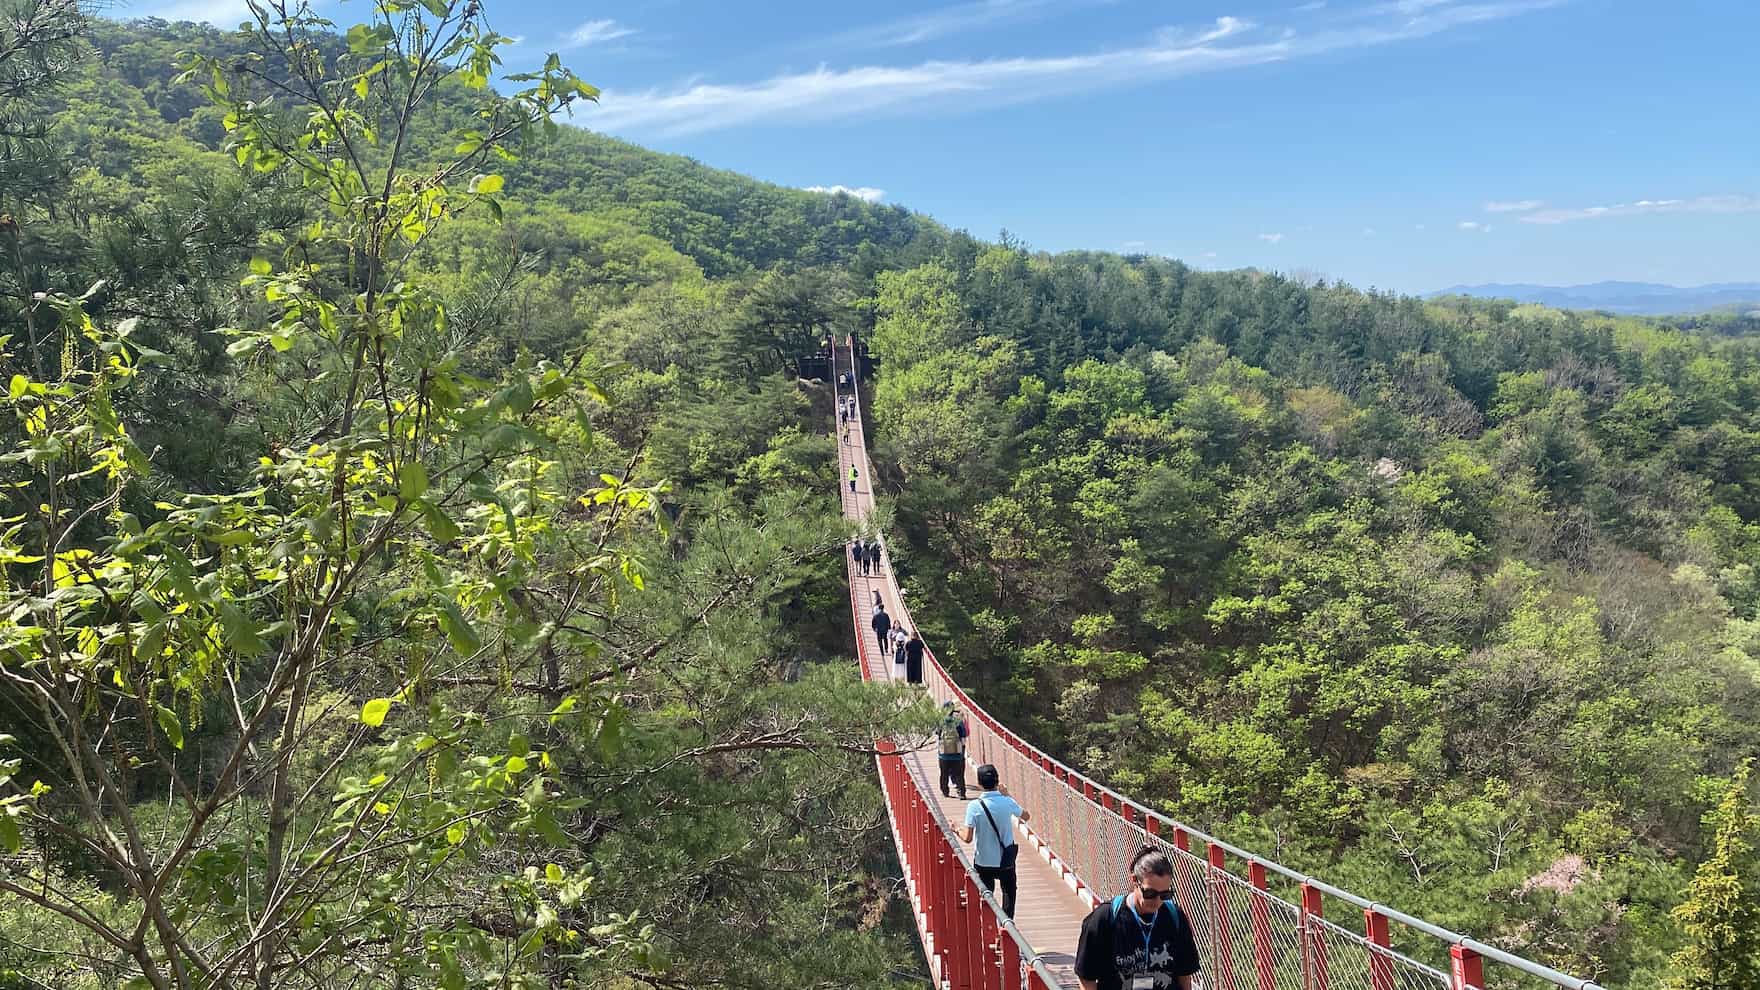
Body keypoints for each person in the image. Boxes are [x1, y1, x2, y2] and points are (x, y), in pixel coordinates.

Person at [1074, 845, 1202, 990]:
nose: (1157, 901)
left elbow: (1184, 973)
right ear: (1135, 880)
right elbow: (1086, 976)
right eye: (1150, 894)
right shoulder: (1104, 918)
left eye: (1165, 895)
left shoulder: (1174, 916)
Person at [956, 764, 1028, 918]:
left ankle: (989, 924)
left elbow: (967, 838)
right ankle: (1006, 926)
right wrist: (1007, 795)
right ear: (997, 781)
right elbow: (1026, 816)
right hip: (1005, 860)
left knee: (986, 898)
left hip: (984, 862)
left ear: (979, 783)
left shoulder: (974, 806)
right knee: (1009, 893)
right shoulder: (1007, 801)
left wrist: (956, 828)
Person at [936, 702, 968, 799]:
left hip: (944, 754)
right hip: (957, 753)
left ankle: (945, 791)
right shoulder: (958, 721)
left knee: (944, 773)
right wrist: (961, 749)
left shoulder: (941, 721)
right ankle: (961, 792)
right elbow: (963, 735)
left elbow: (938, 733)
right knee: (959, 774)